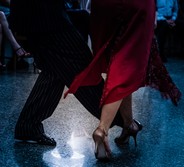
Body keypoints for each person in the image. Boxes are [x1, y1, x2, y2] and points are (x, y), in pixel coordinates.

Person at [65, 0, 181, 160]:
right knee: (127, 61)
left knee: (119, 58)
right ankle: (102, 130)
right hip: (135, 4)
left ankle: (129, 125)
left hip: (104, 6)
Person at [9, 0, 124, 146]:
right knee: (80, 65)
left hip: (35, 14)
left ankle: (28, 126)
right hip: (43, 15)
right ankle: (121, 120)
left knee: (55, 69)